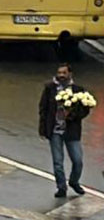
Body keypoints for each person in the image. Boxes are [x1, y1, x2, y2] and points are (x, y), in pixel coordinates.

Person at [38, 64, 91, 197]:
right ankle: (61, 187)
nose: (61, 75)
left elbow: (85, 110)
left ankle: (74, 181)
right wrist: (43, 129)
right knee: (58, 162)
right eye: (59, 73)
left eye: (64, 73)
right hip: (55, 131)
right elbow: (43, 109)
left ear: (70, 74)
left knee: (78, 160)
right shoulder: (50, 88)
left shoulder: (78, 90)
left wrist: (71, 115)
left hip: (71, 131)